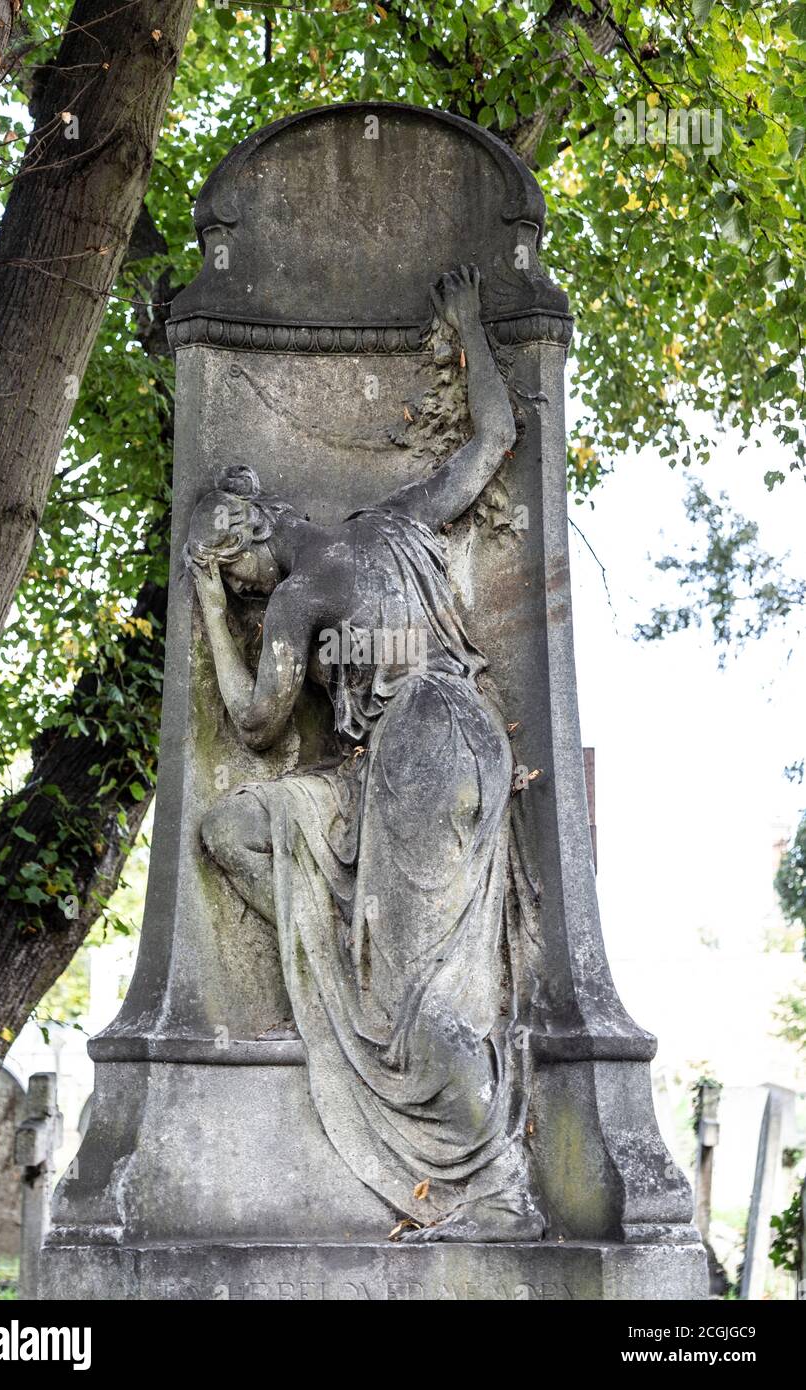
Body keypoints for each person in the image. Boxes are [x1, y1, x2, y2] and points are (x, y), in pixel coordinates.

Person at [186, 265, 543, 1241]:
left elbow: (257, 724)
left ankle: (495, 1191)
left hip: (415, 756)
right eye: (237, 590)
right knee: (237, 833)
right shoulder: (395, 518)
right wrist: (468, 324)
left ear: (256, 538)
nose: (250, 594)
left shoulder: (299, 596)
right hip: (456, 738)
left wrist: (216, 617)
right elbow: (492, 441)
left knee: (412, 993)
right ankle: (336, 960)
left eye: (238, 575)